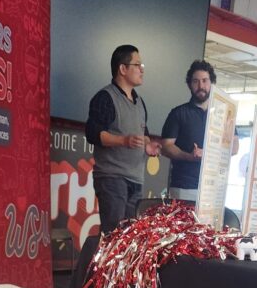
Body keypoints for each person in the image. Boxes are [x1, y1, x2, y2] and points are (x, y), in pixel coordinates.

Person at [85, 44, 160, 233]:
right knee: (114, 235)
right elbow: (93, 133)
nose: (142, 70)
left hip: (136, 179)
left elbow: (144, 135)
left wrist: (148, 146)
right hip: (113, 178)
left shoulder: (140, 102)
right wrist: (123, 141)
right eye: (138, 65)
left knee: (129, 237)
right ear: (123, 69)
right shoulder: (105, 97)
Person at [160, 60, 216, 203]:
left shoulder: (222, 114)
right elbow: (166, 147)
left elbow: (234, 146)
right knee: (182, 225)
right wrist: (189, 156)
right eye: (196, 81)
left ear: (212, 83)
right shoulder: (178, 113)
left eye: (205, 81)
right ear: (190, 85)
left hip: (213, 188)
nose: (201, 86)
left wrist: (209, 154)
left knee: (209, 226)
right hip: (183, 186)